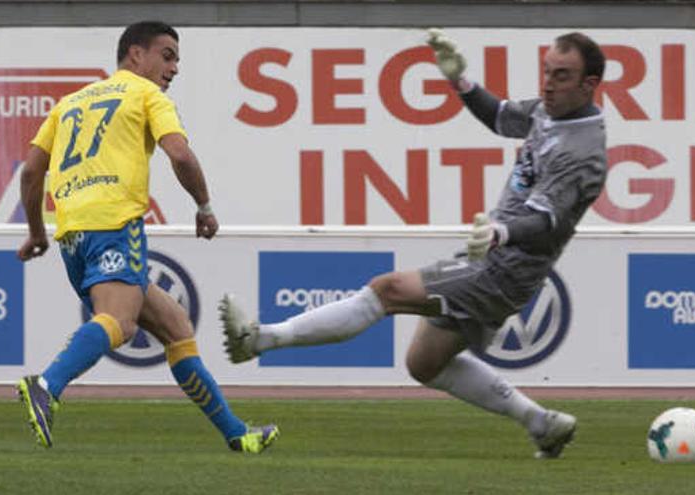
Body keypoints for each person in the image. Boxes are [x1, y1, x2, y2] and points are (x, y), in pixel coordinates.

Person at [220, 28, 607, 458]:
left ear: (589, 84)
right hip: (495, 257)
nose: (548, 83)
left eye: (562, 75)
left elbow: (546, 220)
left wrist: (500, 232)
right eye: (547, 71)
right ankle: (542, 424)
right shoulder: (548, 111)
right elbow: (499, 116)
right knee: (424, 362)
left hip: (505, 266)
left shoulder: (584, 149)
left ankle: (259, 340)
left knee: (387, 289)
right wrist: (461, 81)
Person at [15, 20, 278, 454]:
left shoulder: (70, 103)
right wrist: (205, 206)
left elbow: (30, 172)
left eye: (177, 60)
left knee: (175, 326)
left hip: (71, 234)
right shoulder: (146, 95)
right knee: (120, 321)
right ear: (135, 54)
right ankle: (46, 385)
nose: (174, 68)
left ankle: (238, 434)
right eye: (168, 55)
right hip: (115, 223)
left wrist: (37, 233)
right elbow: (179, 153)